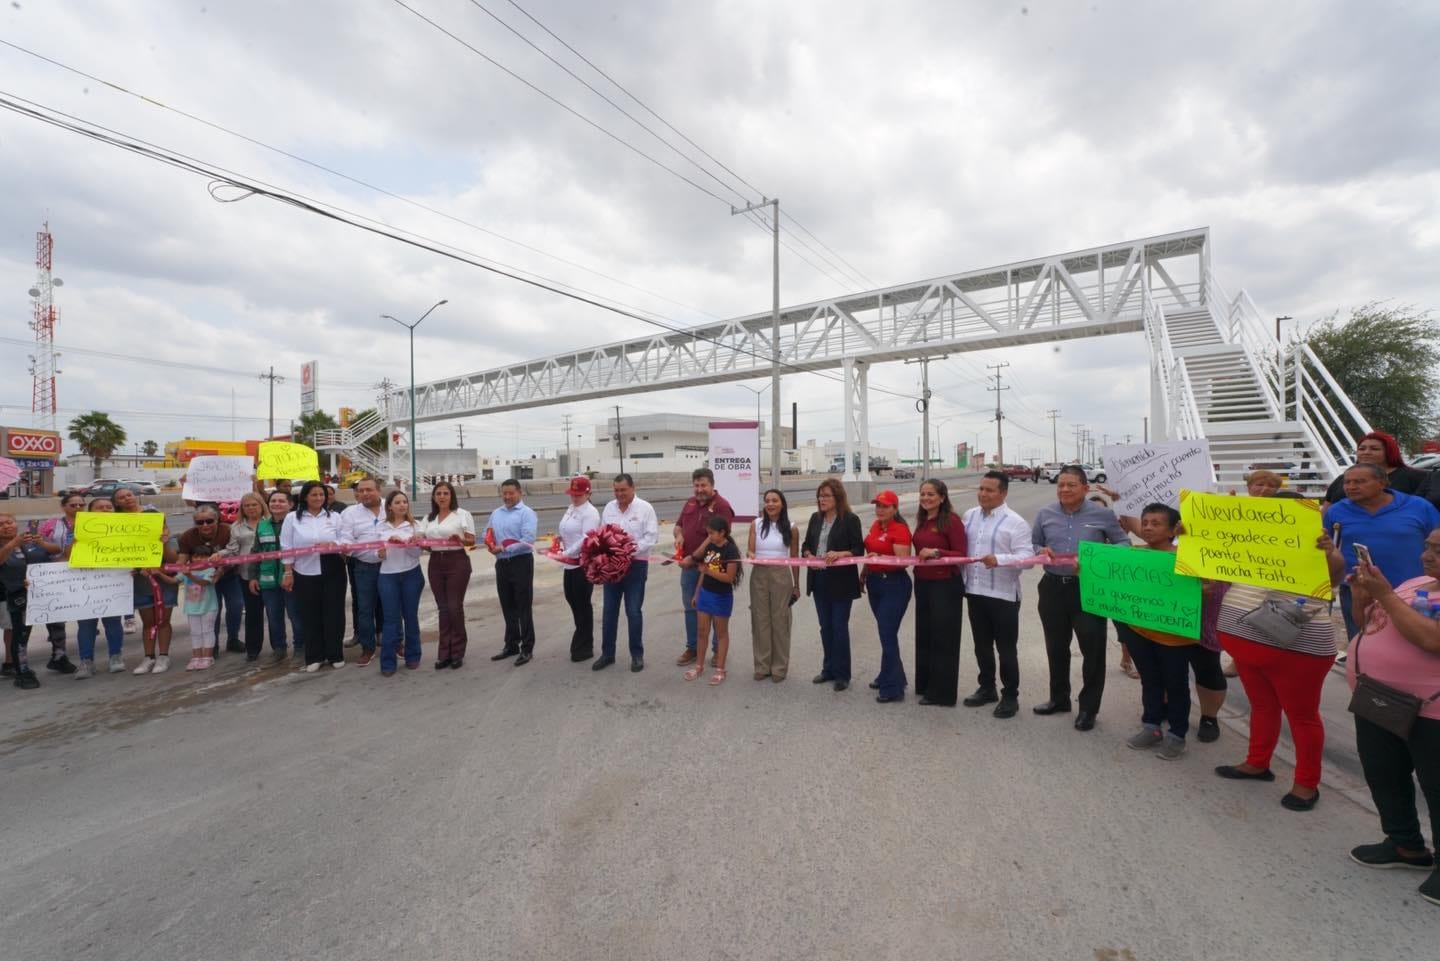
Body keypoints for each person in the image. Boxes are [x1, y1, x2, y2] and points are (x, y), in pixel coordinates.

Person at [1215, 490, 1344, 810]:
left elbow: (1336, 576)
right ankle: (1257, 762)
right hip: (1246, 648)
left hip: (1297, 652)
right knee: (1262, 707)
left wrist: (1328, 552)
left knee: (1302, 717)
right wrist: (1194, 536)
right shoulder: (1250, 544)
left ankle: (1306, 783)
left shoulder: (1318, 546)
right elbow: (1209, 563)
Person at [1344, 528, 1440, 907]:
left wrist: (1383, 592)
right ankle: (1405, 845)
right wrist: (1362, 597)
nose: (1427, 556)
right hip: (1378, 698)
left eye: (1439, 550)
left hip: (1430, 709)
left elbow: (1431, 640)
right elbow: (1368, 622)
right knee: (1383, 772)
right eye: (1428, 547)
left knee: (1437, 788)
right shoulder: (1417, 582)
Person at [1113, 504, 1227, 761]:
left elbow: (1209, 591)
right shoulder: (1132, 554)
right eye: (1145, 523)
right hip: (1139, 630)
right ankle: (1151, 726)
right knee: (1150, 680)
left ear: (1172, 529)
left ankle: (1177, 735)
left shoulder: (1188, 558)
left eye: (1156, 523)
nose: (1149, 527)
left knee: (1176, 685)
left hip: (1175, 637)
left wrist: (1202, 592)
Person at [1031, 465, 1130, 730]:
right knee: (1056, 647)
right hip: (1052, 587)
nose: (1064, 489)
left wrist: (1097, 558)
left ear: (1085, 488)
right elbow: (1031, 545)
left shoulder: (1103, 515)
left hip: (1087, 590)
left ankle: (1088, 708)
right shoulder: (1045, 514)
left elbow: (1124, 544)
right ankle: (1059, 698)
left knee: (1093, 650)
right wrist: (1041, 549)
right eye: (1061, 484)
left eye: (1071, 485)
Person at [1326, 463, 1440, 640]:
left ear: (1382, 483)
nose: (1351, 487)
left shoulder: (1419, 507)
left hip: (1414, 592)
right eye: (1347, 482)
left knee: (1411, 641)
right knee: (1362, 639)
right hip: (1359, 591)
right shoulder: (1336, 511)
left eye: (1359, 481)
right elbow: (1329, 547)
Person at [961, 471, 1035, 718]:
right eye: (981, 489)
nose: (983, 494)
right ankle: (986, 688)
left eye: (989, 490)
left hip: (1003, 596)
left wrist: (1000, 560)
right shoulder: (970, 516)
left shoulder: (1016, 522)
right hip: (975, 591)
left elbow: (1027, 560)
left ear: (1003, 493)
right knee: (981, 646)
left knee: (1006, 649)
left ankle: (1010, 696)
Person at [802, 478, 864, 692]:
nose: (822, 499)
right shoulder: (814, 518)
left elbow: (858, 549)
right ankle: (828, 669)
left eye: (826, 495)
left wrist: (840, 553)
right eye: (820, 495)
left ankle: (842, 674)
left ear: (838, 498)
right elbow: (806, 544)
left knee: (839, 627)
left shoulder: (850, 520)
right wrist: (808, 553)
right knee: (825, 627)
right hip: (819, 580)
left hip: (840, 582)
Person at [911, 479, 968, 707]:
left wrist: (936, 552)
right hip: (923, 583)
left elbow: (961, 553)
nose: (926, 498)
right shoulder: (923, 520)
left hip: (945, 585)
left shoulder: (951, 521)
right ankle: (925, 685)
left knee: (943, 639)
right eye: (923, 494)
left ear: (942, 497)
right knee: (925, 635)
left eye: (931, 494)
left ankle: (942, 693)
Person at [594, 473, 658, 672]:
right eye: (616, 490)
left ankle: (637, 655)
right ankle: (607, 654)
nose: (619, 494)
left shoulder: (645, 508)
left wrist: (627, 550)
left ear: (632, 488)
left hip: (635, 566)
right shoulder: (609, 508)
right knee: (609, 611)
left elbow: (650, 538)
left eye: (623, 490)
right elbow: (602, 534)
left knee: (633, 611)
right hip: (612, 568)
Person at [281, 481, 347, 673]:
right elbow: (286, 546)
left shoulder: (334, 517)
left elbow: (345, 539)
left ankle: (335, 654)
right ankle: (315, 656)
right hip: (304, 570)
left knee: (334, 613)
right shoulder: (292, 518)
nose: (318, 498)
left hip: (333, 568)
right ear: (304, 497)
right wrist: (288, 572)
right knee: (310, 614)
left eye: (322, 495)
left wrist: (334, 544)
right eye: (314, 495)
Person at [114, 487, 180, 675]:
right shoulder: (120, 531)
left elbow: (174, 559)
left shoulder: (167, 537)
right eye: (121, 497)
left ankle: (164, 656)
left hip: (164, 580)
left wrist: (164, 541)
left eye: (129, 495)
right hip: (141, 582)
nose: (127, 499)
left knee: (163, 620)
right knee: (148, 621)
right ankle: (148, 657)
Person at [674, 468, 734, 667]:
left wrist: (693, 557)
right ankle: (692, 648)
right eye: (696, 485)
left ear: (712, 485)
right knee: (691, 608)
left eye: (703, 485)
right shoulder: (690, 503)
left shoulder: (722, 506)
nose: (699, 489)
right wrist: (679, 536)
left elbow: (713, 538)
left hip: (712, 564)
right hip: (689, 567)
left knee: (714, 609)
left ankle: (718, 651)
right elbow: (678, 525)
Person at [416, 480, 475, 669]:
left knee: (454, 607)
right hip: (435, 562)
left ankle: (458, 652)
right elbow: (422, 540)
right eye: (438, 493)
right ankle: (444, 654)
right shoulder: (428, 518)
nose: (442, 497)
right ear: (434, 497)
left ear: (452, 496)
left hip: (457, 561)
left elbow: (471, 540)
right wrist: (420, 543)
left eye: (445, 493)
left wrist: (460, 539)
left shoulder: (462, 515)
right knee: (442, 608)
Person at [863, 490, 913, 704]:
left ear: (895, 508)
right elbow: (870, 553)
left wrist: (879, 557)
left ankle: (893, 688)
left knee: (887, 633)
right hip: (875, 582)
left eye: (884, 506)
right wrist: (864, 572)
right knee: (885, 632)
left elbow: (903, 561)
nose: (880, 510)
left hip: (894, 584)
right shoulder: (876, 526)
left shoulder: (900, 529)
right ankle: (889, 675)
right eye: (877, 505)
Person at [176, 503, 245, 658]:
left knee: (236, 606)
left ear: (217, 520)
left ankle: (233, 639)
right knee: (213, 610)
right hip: (203, 581)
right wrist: (174, 569)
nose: (205, 525)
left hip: (229, 574)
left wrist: (220, 570)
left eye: (209, 521)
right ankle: (211, 645)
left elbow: (235, 553)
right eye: (200, 522)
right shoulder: (187, 536)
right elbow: (182, 559)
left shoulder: (228, 530)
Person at [747, 488, 799, 682]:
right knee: (760, 620)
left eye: (774, 500)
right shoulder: (756, 524)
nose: (770, 504)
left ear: (782, 504)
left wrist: (796, 585)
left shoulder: (791, 528)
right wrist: (750, 555)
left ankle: (779, 668)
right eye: (767, 500)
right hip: (759, 574)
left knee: (780, 621)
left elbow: (795, 558)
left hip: (781, 576)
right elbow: (750, 550)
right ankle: (762, 665)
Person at [71, 496, 127, 677]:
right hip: (87, 582)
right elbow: (66, 556)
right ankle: (86, 662)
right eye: (100, 507)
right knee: (86, 624)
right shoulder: (79, 529)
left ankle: (116, 657)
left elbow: (134, 552)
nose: (105, 510)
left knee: (113, 622)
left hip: (113, 581)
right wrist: (76, 542)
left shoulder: (125, 530)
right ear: (90, 512)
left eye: (108, 507)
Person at [682, 514, 741, 685]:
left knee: (721, 633)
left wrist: (708, 571)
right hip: (705, 594)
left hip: (722, 595)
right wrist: (697, 593)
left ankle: (720, 669)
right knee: (702, 631)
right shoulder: (710, 547)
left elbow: (729, 577)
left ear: (722, 532)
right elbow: (702, 570)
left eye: (712, 533)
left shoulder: (730, 550)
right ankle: (699, 666)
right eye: (708, 533)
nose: (710, 536)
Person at [484, 479, 538, 665]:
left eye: (511, 493)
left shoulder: (527, 513)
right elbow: (487, 532)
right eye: (504, 493)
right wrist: (490, 544)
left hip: (521, 562)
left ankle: (527, 647)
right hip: (502, 564)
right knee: (507, 605)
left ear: (519, 492)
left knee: (523, 606)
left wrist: (504, 549)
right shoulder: (496, 513)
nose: (507, 497)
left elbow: (528, 540)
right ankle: (511, 644)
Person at [1, 512, 52, 689]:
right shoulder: (11, 544)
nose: (7, 526)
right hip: (12, 597)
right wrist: (12, 544)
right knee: (19, 635)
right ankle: (21, 672)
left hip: (32, 595)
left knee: (24, 633)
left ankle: (20, 666)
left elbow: (46, 558)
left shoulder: (26, 542)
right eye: (1, 525)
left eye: (9, 522)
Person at [35, 491, 84, 673]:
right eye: (73, 505)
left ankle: (87, 655)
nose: (78, 507)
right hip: (58, 572)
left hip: (87, 574)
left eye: (81, 504)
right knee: (57, 615)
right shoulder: (51, 524)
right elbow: (40, 546)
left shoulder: (94, 522)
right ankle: (59, 654)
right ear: (64, 507)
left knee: (86, 612)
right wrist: (56, 555)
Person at [376, 490, 425, 676]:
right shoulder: (380, 526)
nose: (402, 505)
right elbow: (375, 554)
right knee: (390, 620)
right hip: (387, 575)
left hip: (411, 574)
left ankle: (413, 656)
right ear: (389, 506)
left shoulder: (415, 525)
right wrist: (382, 550)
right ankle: (388, 663)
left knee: (410, 617)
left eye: (404, 502)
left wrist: (409, 543)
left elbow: (416, 554)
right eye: (397, 502)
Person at [338, 478, 386, 666]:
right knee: (365, 609)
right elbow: (345, 538)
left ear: (378, 491)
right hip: (364, 567)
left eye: (369, 490)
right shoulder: (350, 513)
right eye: (361, 490)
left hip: (390, 566)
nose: (365, 493)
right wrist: (349, 548)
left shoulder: (390, 506)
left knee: (392, 607)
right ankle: (368, 647)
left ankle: (395, 642)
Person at [1324, 431, 1437, 508]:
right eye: (1362, 448)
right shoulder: (1342, 479)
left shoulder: (1416, 477)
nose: (1366, 452)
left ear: (1389, 452)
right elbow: (1327, 510)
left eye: (1374, 449)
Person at [555, 476, 601, 662]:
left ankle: (584, 645)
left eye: (579, 494)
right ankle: (581, 636)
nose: (574, 497)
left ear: (588, 493)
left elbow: (586, 539)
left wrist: (568, 552)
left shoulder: (590, 513)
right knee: (571, 599)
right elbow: (566, 528)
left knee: (582, 604)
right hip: (569, 563)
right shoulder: (572, 508)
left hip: (581, 564)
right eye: (572, 494)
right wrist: (559, 539)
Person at [255, 489, 302, 658]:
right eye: (273, 501)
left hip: (293, 578)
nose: (276, 504)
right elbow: (256, 552)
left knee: (296, 616)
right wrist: (254, 577)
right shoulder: (262, 525)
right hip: (268, 580)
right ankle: (279, 648)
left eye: (281, 501)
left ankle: (300, 648)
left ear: (291, 505)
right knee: (273, 617)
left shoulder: (298, 524)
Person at [228, 492, 268, 661]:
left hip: (270, 573)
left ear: (261, 505)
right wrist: (220, 555)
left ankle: (280, 646)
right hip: (246, 575)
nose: (251, 508)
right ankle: (253, 649)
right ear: (242, 509)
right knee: (253, 614)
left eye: (254, 504)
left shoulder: (271, 522)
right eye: (247, 505)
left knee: (275, 614)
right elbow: (232, 550)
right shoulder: (236, 527)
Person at [178, 545, 221, 671]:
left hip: (209, 607)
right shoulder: (187, 570)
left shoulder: (211, 570)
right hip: (191, 608)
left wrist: (189, 575)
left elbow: (204, 583)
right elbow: (173, 580)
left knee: (207, 631)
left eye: (203, 557)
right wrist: (157, 573)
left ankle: (208, 657)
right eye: (196, 556)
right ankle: (196, 657)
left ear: (209, 558)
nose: (198, 559)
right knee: (195, 632)